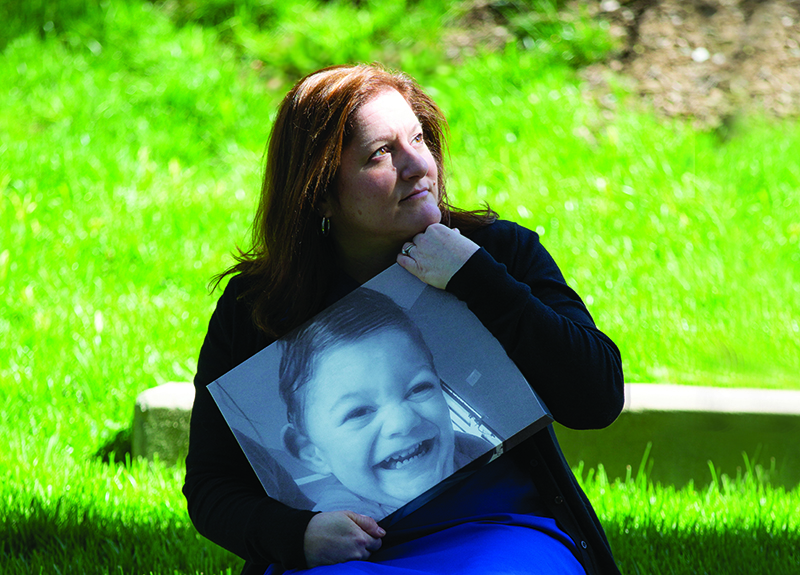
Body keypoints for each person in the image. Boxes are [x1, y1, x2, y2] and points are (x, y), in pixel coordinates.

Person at [183, 63, 625, 575]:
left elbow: (597, 398)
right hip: (346, 556)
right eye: (381, 154)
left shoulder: (500, 254)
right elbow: (213, 486)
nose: (418, 165)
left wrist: (478, 279)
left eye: (418, 138)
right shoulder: (257, 305)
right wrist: (296, 535)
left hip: (503, 537)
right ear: (320, 192)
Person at [278, 288, 493, 518]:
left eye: (419, 388)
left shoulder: (473, 450)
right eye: (358, 412)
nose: (403, 421)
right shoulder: (342, 526)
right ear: (314, 452)